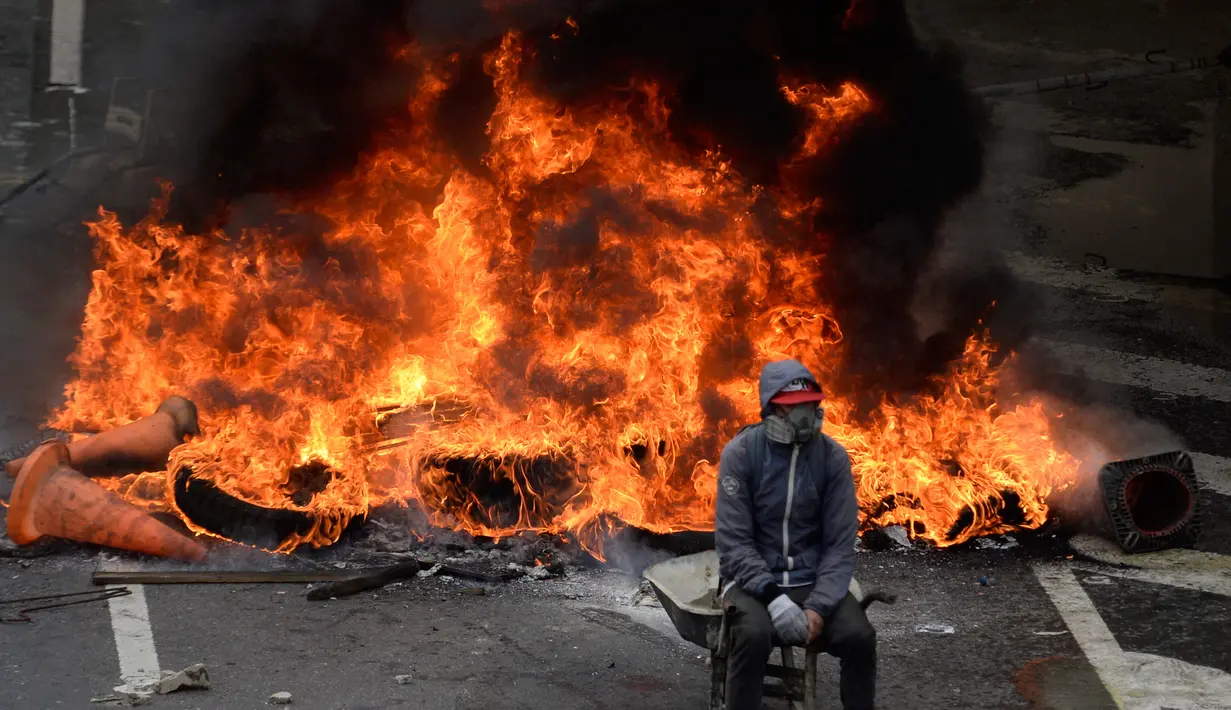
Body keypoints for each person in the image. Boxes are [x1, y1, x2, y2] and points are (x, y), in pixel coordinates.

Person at [715, 358, 876, 710]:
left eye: (810, 404)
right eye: (794, 407)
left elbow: (839, 546)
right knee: (753, 636)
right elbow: (734, 544)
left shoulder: (832, 458)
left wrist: (818, 607)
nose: (806, 414)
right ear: (772, 408)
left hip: (812, 577)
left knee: (860, 637)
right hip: (753, 583)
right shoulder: (741, 455)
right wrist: (774, 599)